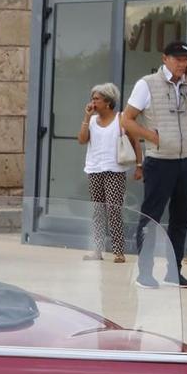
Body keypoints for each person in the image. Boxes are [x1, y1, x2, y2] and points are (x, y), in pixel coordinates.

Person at [121, 40, 187, 289]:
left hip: (186, 159)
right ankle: (144, 272)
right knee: (151, 217)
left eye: (186, 59)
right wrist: (151, 137)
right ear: (165, 59)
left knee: (181, 218)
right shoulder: (146, 84)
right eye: (178, 58)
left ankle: (175, 271)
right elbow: (126, 119)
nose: (182, 63)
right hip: (160, 161)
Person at [78, 83, 136, 262]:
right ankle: (97, 250)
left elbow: (134, 141)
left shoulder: (121, 118)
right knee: (97, 211)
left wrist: (139, 165)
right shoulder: (93, 121)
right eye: (92, 98)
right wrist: (86, 117)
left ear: (108, 102)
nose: (93, 102)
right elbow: (81, 139)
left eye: (96, 99)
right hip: (94, 169)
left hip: (114, 170)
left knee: (114, 210)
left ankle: (118, 251)